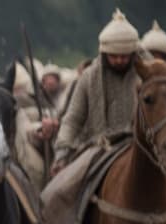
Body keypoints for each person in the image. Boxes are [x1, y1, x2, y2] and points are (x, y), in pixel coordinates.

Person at [52, 10, 141, 175]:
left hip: (140, 150)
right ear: (104, 53)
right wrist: (62, 152)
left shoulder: (147, 76)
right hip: (98, 150)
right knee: (58, 195)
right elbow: (73, 119)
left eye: (124, 56)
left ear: (133, 54)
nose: (119, 60)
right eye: (114, 56)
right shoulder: (88, 78)